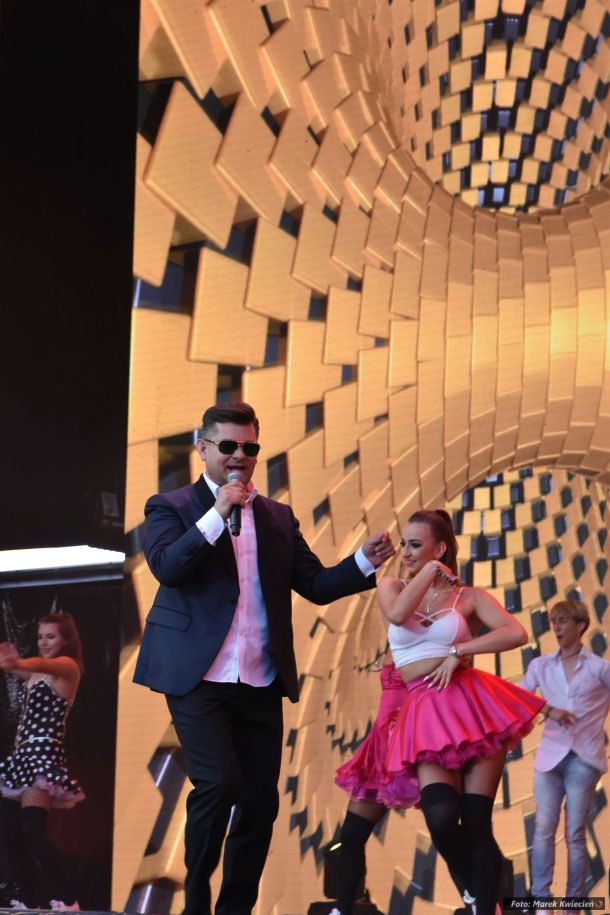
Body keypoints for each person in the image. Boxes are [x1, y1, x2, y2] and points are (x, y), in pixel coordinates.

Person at [133, 401, 395, 915]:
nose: (240, 456)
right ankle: (195, 903)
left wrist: (363, 561)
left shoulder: (277, 516)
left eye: (250, 447)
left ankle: (236, 909)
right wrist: (218, 513)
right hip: (199, 676)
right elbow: (167, 567)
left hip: (258, 677)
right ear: (203, 448)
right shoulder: (171, 506)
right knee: (218, 783)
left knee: (259, 802)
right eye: (228, 445)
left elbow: (315, 584)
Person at [334, 510, 545, 915]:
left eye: (416, 544)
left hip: (470, 705)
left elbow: (516, 633)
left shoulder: (468, 597)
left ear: (441, 547)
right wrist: (430, 570)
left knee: (477, 822)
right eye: (405, 543)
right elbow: (398, 615)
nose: (405, 552)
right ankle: (474, 892)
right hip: (423, 713)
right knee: (441, 816)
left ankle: (486, 907)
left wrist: (459, 650)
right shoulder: (392, 586)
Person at [519, 599, 610, 904]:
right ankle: (541, 900)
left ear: (580, 625)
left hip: (584, 758)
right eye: (553, 622)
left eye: (562, 621)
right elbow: (518, 698)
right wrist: (548, 709)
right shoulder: (541, 665)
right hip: (549, 758)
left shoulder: (600, 668)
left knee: (574, 833)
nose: (555, 627)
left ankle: (574, 903)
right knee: (544, 828)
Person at [0, 612, 85, 911]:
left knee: (32, 828)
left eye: (51, 636)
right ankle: (25, 898)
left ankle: (68, 899)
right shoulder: (35, 674)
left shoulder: (66, 667)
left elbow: (36, 664)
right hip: (22, 758)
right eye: (40, 637)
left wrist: (18, 662)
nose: (44, 642)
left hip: (43, 755)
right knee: (11, 830)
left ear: (66, 640)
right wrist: (9, 663)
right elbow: (22, 669)